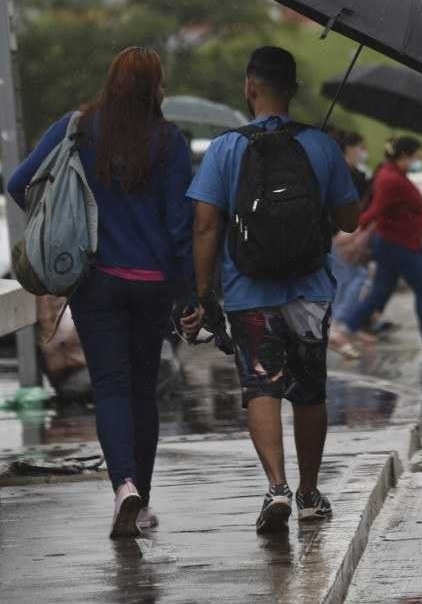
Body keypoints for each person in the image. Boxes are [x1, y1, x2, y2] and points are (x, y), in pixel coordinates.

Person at [7, 46, 194, 538]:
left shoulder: (78, 128)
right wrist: (190, 291)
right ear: (156, 88)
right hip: (153, 285)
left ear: (111, 83)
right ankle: (143, 501)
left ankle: (123, 488)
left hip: (96, 281)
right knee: (142, 391)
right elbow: (181, 225)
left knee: (110, 386)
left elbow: (18, 182)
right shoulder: (170, 142)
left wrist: (61, 219)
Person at [182, 46, 360, 533]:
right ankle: (308, 493)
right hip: (309, 291)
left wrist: (203, 292)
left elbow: (204, 224)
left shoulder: (225, 148)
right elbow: (349, 221)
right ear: (294, 88)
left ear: (249, 86)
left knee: (261, 385)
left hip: (247, 290)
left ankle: (276, 487)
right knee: (309, 391)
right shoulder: (321, 146)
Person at [334, 136, 422, 357]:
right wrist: (353, 229)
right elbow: (377, 210)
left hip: (395, 242)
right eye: (416, 155)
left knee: (379, 292)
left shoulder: (392, 175)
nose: (419, 160)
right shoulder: (392, 180)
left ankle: (344, 331)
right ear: (404, 155)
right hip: (399, 244)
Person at [326, 128, 372, 359]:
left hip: (341, 233)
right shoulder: (343, 174)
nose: (363, 153)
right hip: (339, 235)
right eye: (359, 148)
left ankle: (343, 326)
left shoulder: (350, 173)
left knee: (349, 279)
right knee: (352, 279)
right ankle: (340, 325)